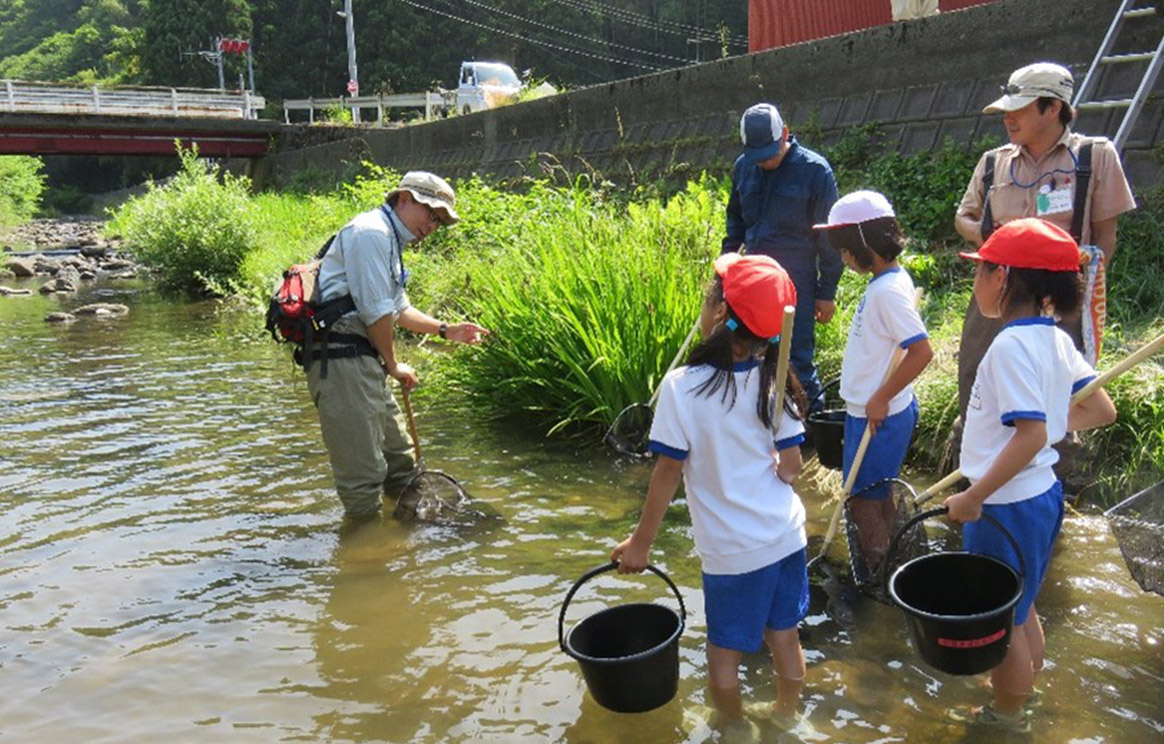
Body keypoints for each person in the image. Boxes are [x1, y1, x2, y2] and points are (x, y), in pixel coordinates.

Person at [612, 253, 811, 740]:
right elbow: (792, 469)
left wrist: (641, 544)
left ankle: (733, 728)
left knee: (724, 650)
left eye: (707, 298)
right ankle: (789, 717)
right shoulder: (775, 379)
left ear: (719, 312)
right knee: (784, 635)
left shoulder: (683, 387)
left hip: (733, 551)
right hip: (786, 535)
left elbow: (667, 472)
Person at [946, 218, 1117, 731]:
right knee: (1023, 606)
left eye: (981, 272)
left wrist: (974, 495)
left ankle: (1008, 714)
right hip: (1040, 497)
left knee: (1002, 619)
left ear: (1003, 279)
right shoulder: (1056, 340)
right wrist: (1050, 418)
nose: (977, 283)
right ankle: (1027, 684)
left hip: (1004, 506)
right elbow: (1100, 409)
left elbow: (1030, 436)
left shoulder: (1009, 346)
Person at [953, 62, 1135, 424]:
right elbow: (963, 218)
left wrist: (1078, 295)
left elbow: (1105, 235)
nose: (1008, 119)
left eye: (1019, 109)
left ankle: (1049, 455)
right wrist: (997, 241)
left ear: (1053, 108)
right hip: (997, 283)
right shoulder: (994, 162)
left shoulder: (1093, 156)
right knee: (976, 366)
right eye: (1006, 110)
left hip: (1056, 292)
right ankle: (974, 452)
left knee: (1055, 379)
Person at [305, 171, 489, 522]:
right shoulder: (371, 233)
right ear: (403, 199)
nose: (433, 224)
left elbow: (397, 308)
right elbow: (376, 313)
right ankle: (366, 558)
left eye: (439, 219)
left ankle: (409, 541)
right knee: (363, 481)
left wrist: (446, 329)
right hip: (342, 360)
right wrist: (393, 364)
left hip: (363, 358)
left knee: (400, 462)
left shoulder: (389, 239)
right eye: (430, 212)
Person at [813, 191, 933, 579]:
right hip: (871, 411)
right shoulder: (887, 281)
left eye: (846, 250)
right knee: (875, 495)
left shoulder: (887, 292)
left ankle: (878, 575)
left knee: (863, 501)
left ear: (866, 243)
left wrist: (880, 398)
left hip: (878, 416)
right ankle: (892, 563)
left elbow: (922, 351)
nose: (843, 259)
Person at [721, 102, 841, 408]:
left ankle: (806, 434)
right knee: (747, 353)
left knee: (795, 356)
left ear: (785, 134)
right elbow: (735, 220)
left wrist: (826, 292)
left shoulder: (815, 171)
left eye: (769, 155)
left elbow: (830, 237)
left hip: (795, 280)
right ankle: (757, 423)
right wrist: (725, 269)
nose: (763, 163)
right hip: (750, 279)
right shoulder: (744, 167)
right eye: (756, 157)